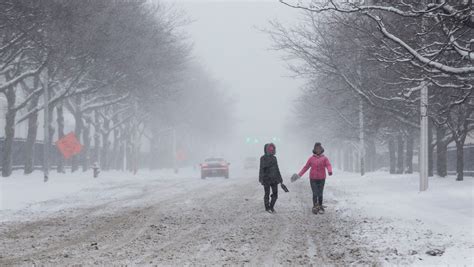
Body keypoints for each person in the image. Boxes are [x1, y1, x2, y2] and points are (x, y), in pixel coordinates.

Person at [292, 142, 332, 214]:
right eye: (316, 149)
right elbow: (306, 167)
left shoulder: (324, 158)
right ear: (314, 150)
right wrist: (299, 175)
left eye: (319, 148)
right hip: (313, 178)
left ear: (321, 149)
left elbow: (328, 165)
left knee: (320, 193)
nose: (318, 150)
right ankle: (315, 206)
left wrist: (330, 171)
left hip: (321, 178)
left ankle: (320, 206)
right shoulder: (311, 159)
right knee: (315, 193)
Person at [259, 143, 283, 213]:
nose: (271, 150)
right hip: (266, 179)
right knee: (267, 194)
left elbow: (277, 169)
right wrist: (261, 178)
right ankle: (267, 208)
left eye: (272, 149)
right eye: (270, 149)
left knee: (275, 194)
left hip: (274, 179)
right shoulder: (263, 158)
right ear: (266, 150)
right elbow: (261, 169)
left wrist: (280, 179)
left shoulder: (274, 158)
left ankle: (271, 206)